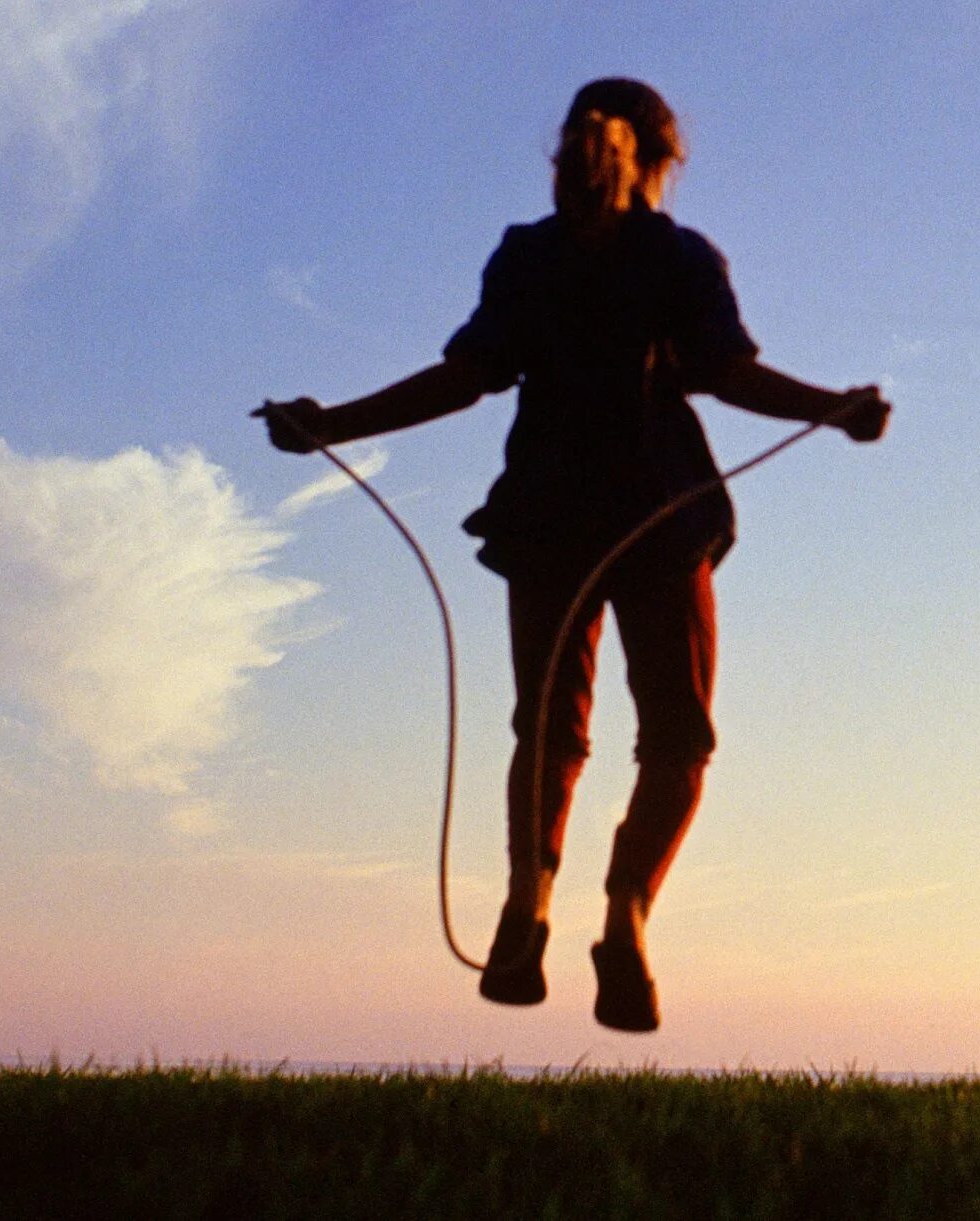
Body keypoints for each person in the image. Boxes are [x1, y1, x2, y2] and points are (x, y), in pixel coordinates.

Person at [263, 78, 889, 1029]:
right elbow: (728, 375)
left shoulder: (526, 257)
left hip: (547, 512)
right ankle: (627, 914)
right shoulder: (679, 256)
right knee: (678, 737)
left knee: (550, 730)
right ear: (662, 158)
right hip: (659, 511)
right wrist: (834, 409)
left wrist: (330, 423)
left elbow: (463, 379)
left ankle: (529, 900)